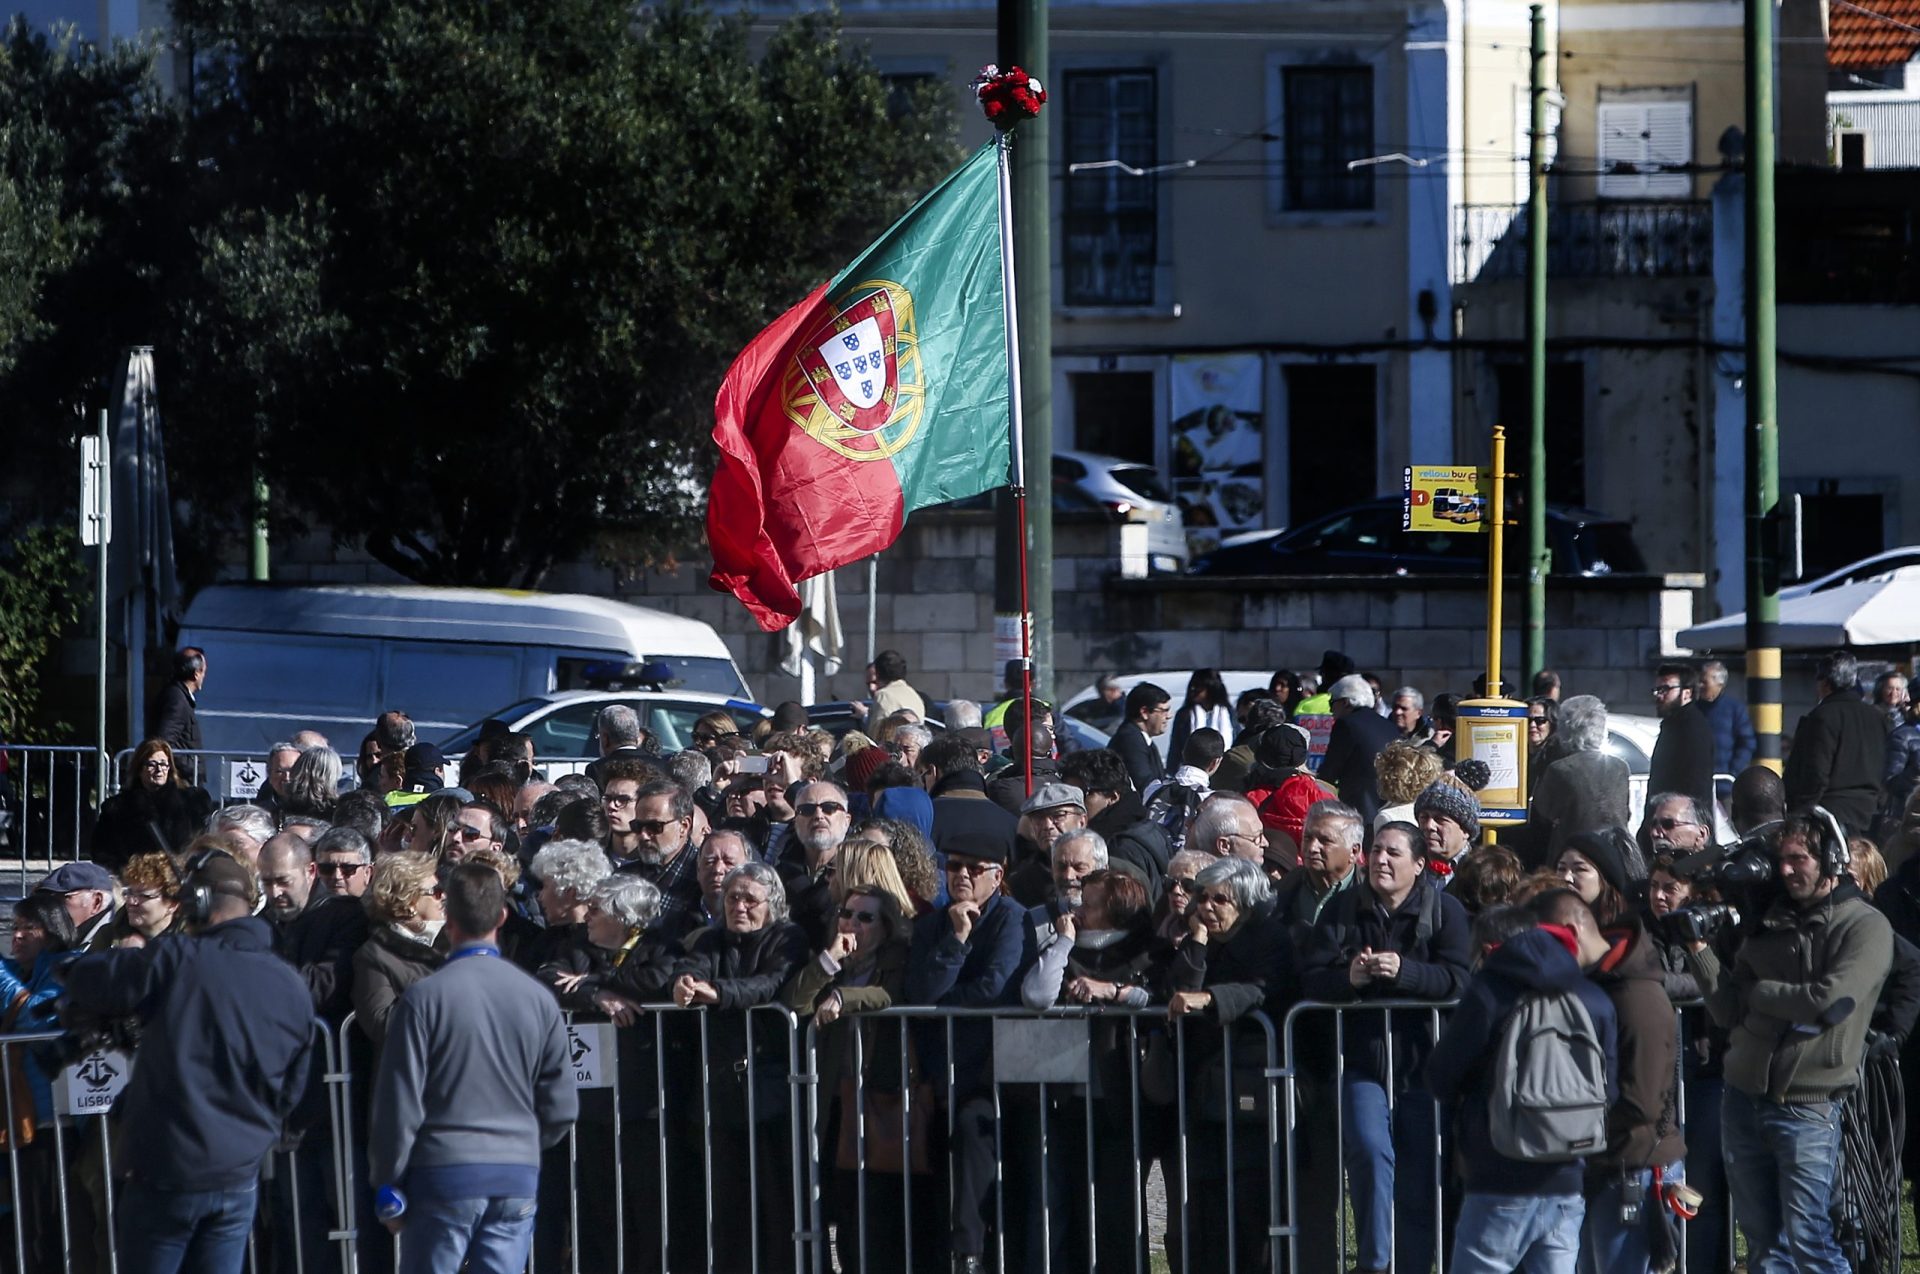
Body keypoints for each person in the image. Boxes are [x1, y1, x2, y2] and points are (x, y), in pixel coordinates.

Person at [63, 849, 314, 1274]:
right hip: (238, 1173)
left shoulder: (178, 958)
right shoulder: (290, 983)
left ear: (197, 901)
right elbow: (292, 1089)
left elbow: (92, 980)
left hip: (168, 1171)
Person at [1686, 811, 1893, 1271]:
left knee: (1810, 1241)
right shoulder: (1769, 923)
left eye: (1798, 859)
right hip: (1742, 1097)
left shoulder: (1864, 926)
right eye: (1781, 859)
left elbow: (1830, 1004)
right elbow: (1726, 1011)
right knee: (1763, 1246)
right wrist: (1699, 953)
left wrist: (1759, 993)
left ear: (1832, 861)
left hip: (1808, 1105)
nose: (1785, 870)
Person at [368, 862, 576, 1274]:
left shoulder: (424, 1000)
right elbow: (562, 1103)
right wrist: (526, 1144)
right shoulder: (537, 998)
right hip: (515, 1173)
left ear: (448, 918)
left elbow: (399, 1100)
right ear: (502, 916)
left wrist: (388, 1180)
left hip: (443, 1171)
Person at [1300, 819, 1472, 1274]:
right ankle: (1376, 1263)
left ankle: (1412, 1265)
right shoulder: (1342, 911)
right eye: (1376, 850)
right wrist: (1348, 980)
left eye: (1394, 853)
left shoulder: (1446, 912)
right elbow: (1311, 979)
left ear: (1419, 864)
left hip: (1424, 1066)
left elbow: (1461, 980)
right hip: (1362, 1063)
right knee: (1370, 1152)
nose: (1380, 860)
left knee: (1418, 1173)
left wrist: (1407, 973)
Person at [1426, 904, 1619, 1274]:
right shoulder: (1593, 996)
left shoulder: (1489, 992)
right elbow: (1607, 1091)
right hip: (1567, 1176)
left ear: (1486, 949)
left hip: (1497, 1173)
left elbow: (1442, 1075)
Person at [1532, 888, 1684, 1274]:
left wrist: (1568, 1125)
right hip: (1609, 1161)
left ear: (1571, 932)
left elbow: (1641, 1103)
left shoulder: (1636, 997)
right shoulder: (1603, 985)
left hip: (1635, 1165)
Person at [670, 862, 809, 1272]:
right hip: (721, 1092)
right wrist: (685, 984)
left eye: (750, 899)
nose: (740, 907)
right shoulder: (712, 938)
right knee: (727, 1204)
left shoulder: (789, 937)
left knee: (775, 1201)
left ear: (772, 904)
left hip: (771, 1090)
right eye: (732, 898)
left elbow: (770, 984)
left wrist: (717, 993)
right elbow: (691, 969)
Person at [904, 828, 1027, 1274]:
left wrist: (940, 1004)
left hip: (986, 1069)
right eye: (953, 866)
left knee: (975, 1158)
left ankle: (971, 1256)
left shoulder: (1010, 918)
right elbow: (919, 991)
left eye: (973, 869)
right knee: (935, 1171)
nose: (961, 875)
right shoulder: (935, 923)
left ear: (997, 875)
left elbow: (997, 987)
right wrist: (955, 940)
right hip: (938, 1070)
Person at [1162, 855, 1289, 1273]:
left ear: (1246, 904)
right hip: (1205, 1093)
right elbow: (1180, 989)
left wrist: (1214, 999)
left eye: (1220, 899)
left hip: (1251, 1093)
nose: (1207, 907)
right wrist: (1197, 945)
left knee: (1251, 1211)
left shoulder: (1269, 938)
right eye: (1202, 897)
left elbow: (1262, 990)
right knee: (1206, 1208)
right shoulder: (1200, 941)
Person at [784, 884, 914, 1274]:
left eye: (865, 917)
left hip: (875, 1097)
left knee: (868, 1209)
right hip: (830, 1095)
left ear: (885, 926)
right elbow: (795, 1002)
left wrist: (845, 999)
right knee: (827, 1199)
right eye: (846, 914)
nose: (852, 923)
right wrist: (828, 962)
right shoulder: (830, 961)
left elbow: (889, 996)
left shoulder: (897, 960)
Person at [1785, 650, 1890, 835]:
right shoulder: (1877, 716)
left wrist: (1799, 813)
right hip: (1870, 811)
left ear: (1825, 683)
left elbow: (1816, 772)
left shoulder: (1822, 717)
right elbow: (1886, 765)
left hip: (1831, 813)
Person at [352, 852, 447, 1048]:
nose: (443, 896)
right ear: (409, 901)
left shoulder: (455, 940)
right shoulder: (375, 956)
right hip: (412, 1068)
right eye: (436, 891)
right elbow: (382, 1023)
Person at [1529, 695, 1631, 864]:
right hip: (1617, 852)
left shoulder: (1560, 769)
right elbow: (1625, 812)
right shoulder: (1621, 767)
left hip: (1574, 853)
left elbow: (1543, 812)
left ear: (1564, 729)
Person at [92, 738, 216, 873]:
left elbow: (205, 842)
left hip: (180, 879)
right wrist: (125, 874)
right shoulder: (117, 808)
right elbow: (102, 851)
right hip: (137, 882)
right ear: (139, 768)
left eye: (164, 764)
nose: (159, 770)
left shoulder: (191, 802)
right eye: (152, 764)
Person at [613, 776, 705, 944]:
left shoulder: (703, 880)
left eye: (655, 827)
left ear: (684, 826)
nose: (644, 835)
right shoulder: (623, 878)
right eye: (638, 826)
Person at [1271, 798, 1362, 936]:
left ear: (1354, 851)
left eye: (1325, 841)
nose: (1312, 848)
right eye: (1307, 838)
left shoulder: (1373, 895)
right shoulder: (1281, 891)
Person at [1319, 673, 1400, 823]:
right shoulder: (1388, 725)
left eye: (1332, 703)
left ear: (1346, 703)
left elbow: (1330, 771)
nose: (1330, 710)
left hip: (1360, 810)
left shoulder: (1346, 725)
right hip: (1389, 809)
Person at [1648, 661, 1717, 818]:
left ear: (1687, 693)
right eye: (1657, 689)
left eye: (1665, 689)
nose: (1659, 695)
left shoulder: (1692, 728)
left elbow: (1693, 786)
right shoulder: (1673, 724)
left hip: (1681, 824)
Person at [1696, 659, 1757, 778]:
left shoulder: (1735, 710)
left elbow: (1747, 743)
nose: (1700, 686)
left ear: (1719, 684)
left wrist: (1732, 772)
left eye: (1704, 682)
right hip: (1697, 781)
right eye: (1699, 682)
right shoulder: (1693, 710)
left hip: (1725, 780)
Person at [38, 861, 118, 951]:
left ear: (96, 902)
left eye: (63, 899)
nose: (51, 908)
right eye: (47, 900)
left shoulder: (117, 946)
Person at [114, 852, 187, 945]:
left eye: (143, 895)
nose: (131, 901)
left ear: (172, 904)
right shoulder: (109, 935)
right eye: (130, 893)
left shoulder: (189, 945)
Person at [1111, 682, 1172, 794]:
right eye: (1163, 711)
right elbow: (1146, 784)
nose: (1169, 716)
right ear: (1144, 712)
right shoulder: (1130, 740)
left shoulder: (1142, 738)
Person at [1415, 778, 1480, 877]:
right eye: (1424, 817)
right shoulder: (1407, 867)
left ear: (1466, 831)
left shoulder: (1481, 873)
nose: (1429, 826)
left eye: (1440, 819)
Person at [1167, 668, 1234, 763]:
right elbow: (1175, 747)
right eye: (1192, 686)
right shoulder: (1184, 715)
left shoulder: (1228, 713)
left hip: (1223, 770)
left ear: (1211, 688)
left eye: (1198, 686)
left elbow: (1236, 743)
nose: (1193, 689)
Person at [148, 646, 206, 753]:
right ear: (196, 674)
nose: (204, 676)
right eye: (203, 671)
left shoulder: (178, 696)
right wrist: (189, 765)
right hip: (181, 770)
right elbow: (164, 742)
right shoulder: (177, 699)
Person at [313, 825, 374, 898]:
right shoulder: (305, 907)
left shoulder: (382, 908)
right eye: (327, 868)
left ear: (367, 873)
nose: (336, 876)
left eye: (347, 868)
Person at [869, 648, 927, 720]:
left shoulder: (884, 695)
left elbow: (878, 729)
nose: (871, 688)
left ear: (877, 674)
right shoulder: (914, 695)